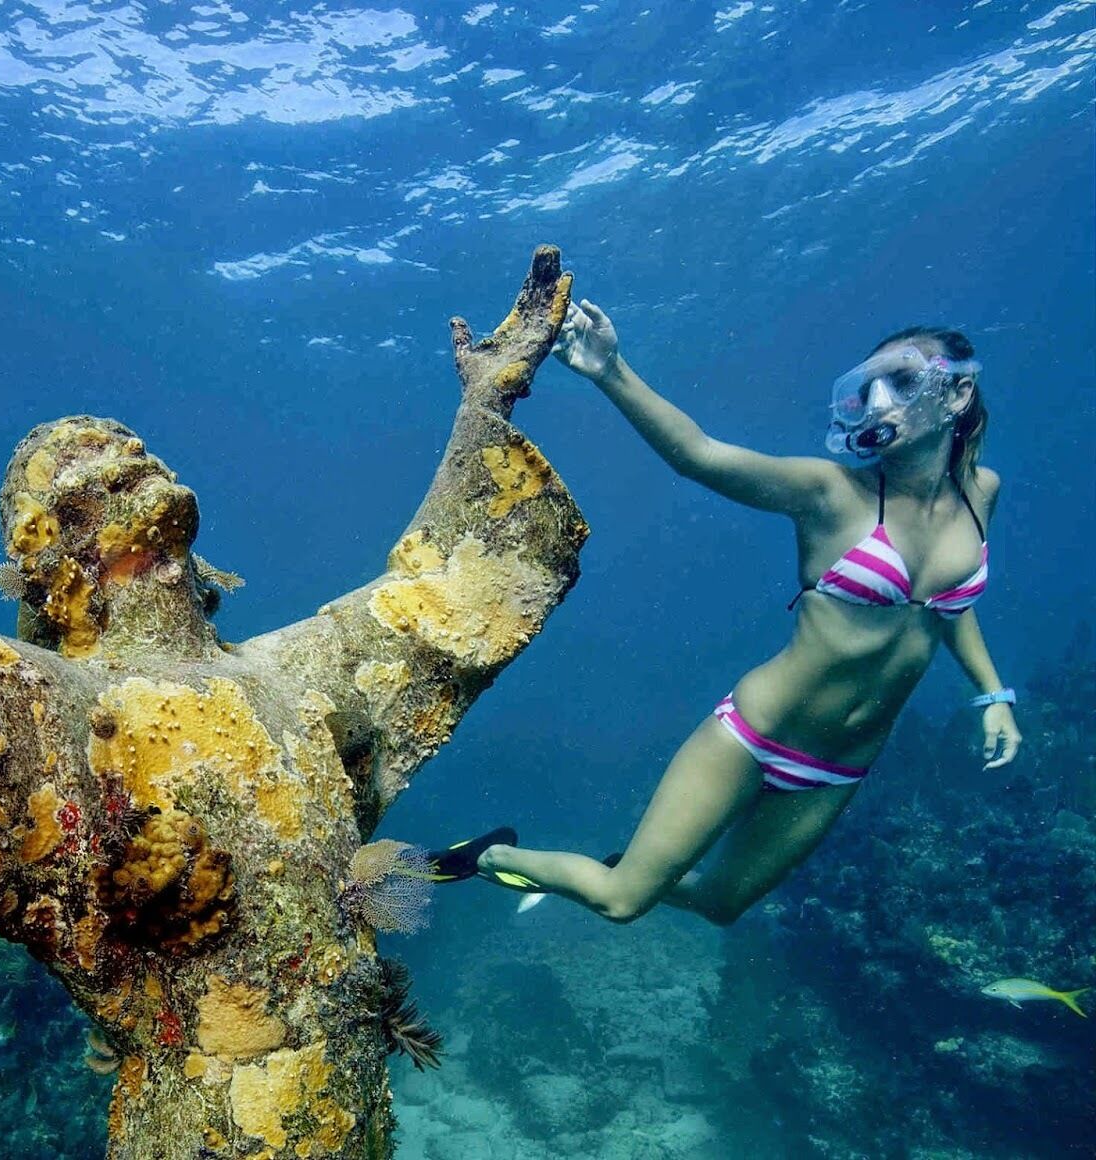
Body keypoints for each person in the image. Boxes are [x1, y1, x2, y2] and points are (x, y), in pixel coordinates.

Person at [427, 298, 1022, 926]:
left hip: (840, 765)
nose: (876, 403)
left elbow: (948, 607)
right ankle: (489, 857)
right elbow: (700, 454)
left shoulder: (982, 493)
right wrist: (611, 371)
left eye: (899, 382)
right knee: (622, 900)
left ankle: (636, 864)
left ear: (956, 394)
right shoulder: (831, 493)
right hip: (755, 734)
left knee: (721, 903)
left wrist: (993, 695)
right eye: (866, 387)